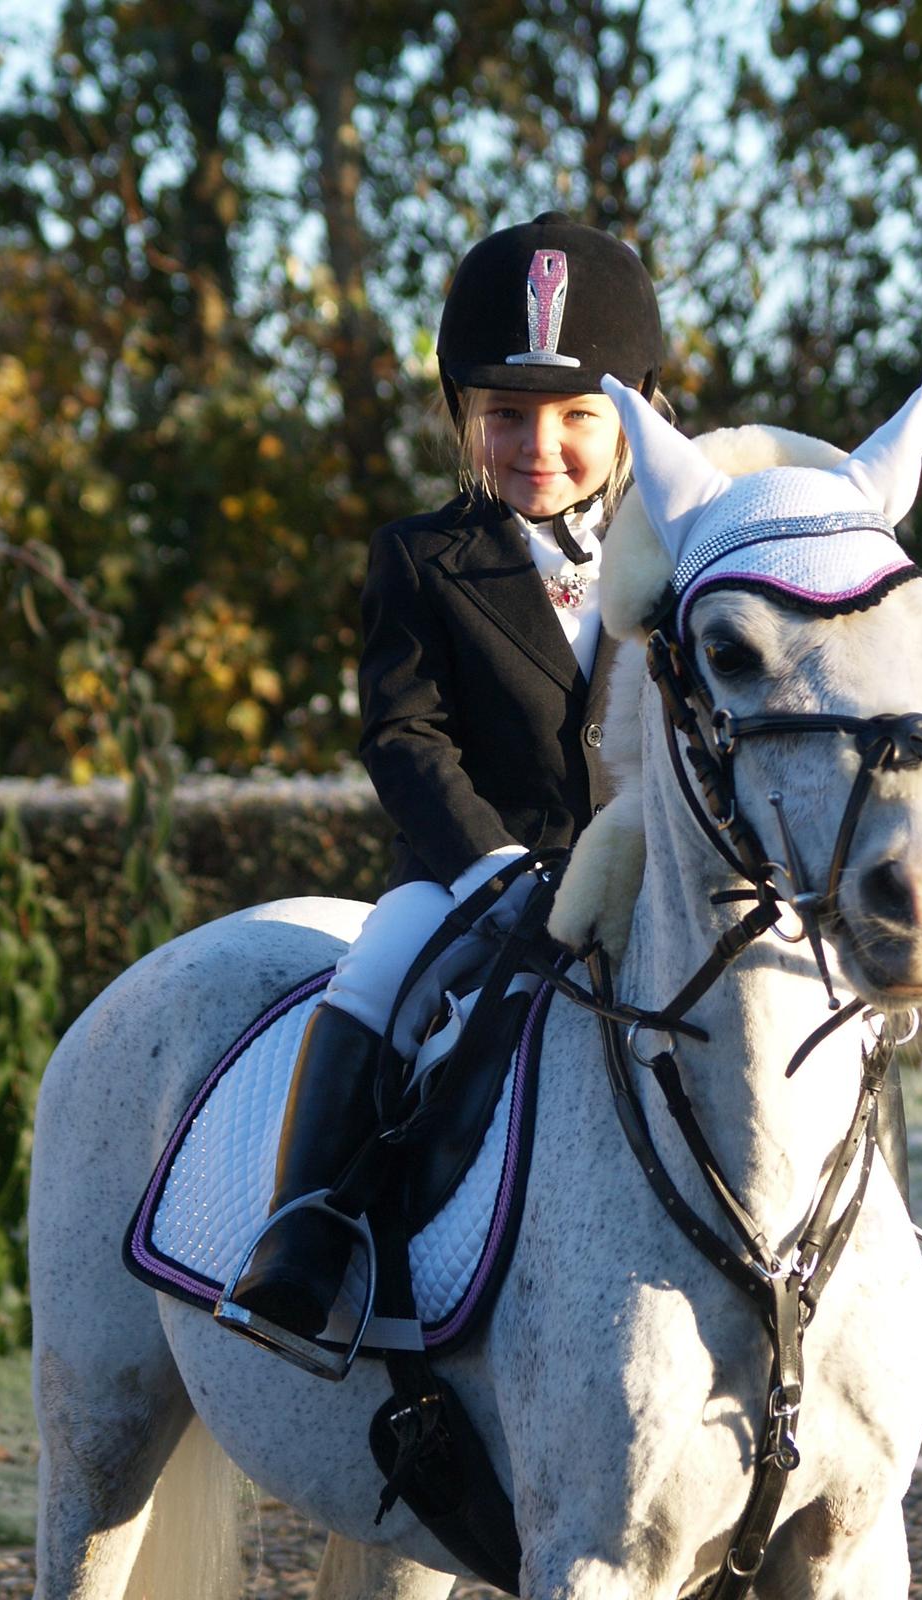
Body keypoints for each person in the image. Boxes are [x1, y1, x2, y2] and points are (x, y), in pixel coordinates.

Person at [223, 212, 665, 1354]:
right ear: (461, 412)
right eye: (505, 415)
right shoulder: (422, 555)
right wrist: (497, 869)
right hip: (477, 874)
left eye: (577, 416)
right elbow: (405, 736)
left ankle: (897, 1250)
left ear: (635, 415)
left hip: (651, 872)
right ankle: (308, 1235)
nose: (540, 445)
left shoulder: (680, 550)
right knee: (374, 968)